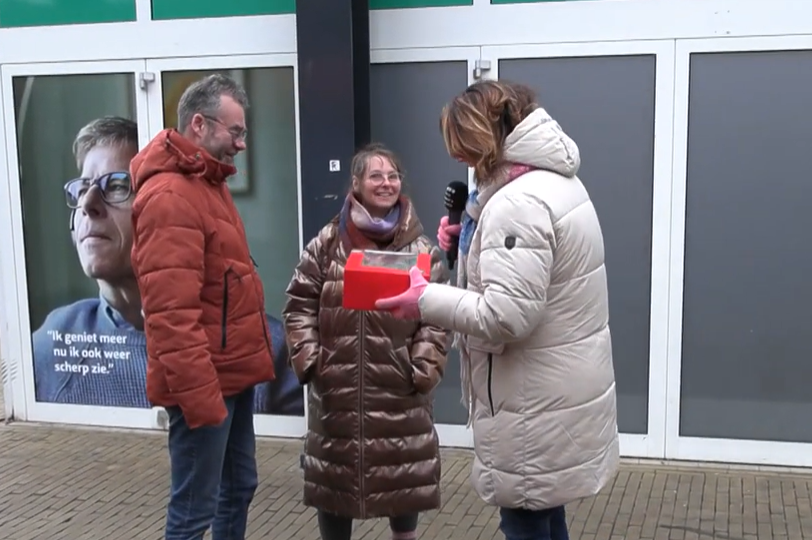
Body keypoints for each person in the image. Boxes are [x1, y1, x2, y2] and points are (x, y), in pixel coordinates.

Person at [376, 80, 620, 540]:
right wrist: (466, 242)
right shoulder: (554, 182)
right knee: (546, 515)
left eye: (463, 147)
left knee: (525, 519)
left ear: (483, 138)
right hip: (556, 391)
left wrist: (424, 299)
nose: (459, 160)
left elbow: (507, 316)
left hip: (531, 400)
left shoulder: (517, 202)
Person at [31, 116, 303, 416]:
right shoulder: (53, 343)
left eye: (118, 185)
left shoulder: (268, 349)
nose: (88, 204)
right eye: (83, 188)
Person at [130, 74, 273, 540]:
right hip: (205, 384)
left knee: (238, 488)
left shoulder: (206, 183)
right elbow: (171, 316)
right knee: (194, 512)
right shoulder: (170, 196)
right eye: (235, 132)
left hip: (230, 377)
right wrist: (200, 400)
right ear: (199, 124)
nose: (241, 144)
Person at [283, 143, 449, 540]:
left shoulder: (421, 249)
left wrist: (423, 366)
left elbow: (438, 316)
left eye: (392, 176)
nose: (386, 183)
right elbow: (298, 304)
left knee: (403, 484)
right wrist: (310, 360)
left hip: (400, 392)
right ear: (356, 183)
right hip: (337, 395)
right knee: (334, 489)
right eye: (376, 176)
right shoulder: (326, 245)